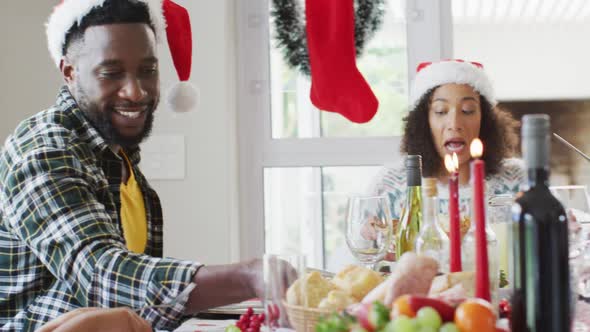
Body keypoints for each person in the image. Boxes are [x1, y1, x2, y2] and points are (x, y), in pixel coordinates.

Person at [0, 1, 278, 330]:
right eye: (111, 72)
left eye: (148, 70)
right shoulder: (43, 152)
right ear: (69, 72)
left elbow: (135, 305)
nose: (135, 91)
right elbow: (101, 275)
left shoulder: (118, 155)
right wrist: (250, 276)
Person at [369, 59, 525, 225]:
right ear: (424, 122)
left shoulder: (518, 180)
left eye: (467, 111)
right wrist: (369, 235)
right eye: (440, 111)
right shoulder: (391, 185)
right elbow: (361, 243)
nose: (455, 124)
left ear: (485, 120)